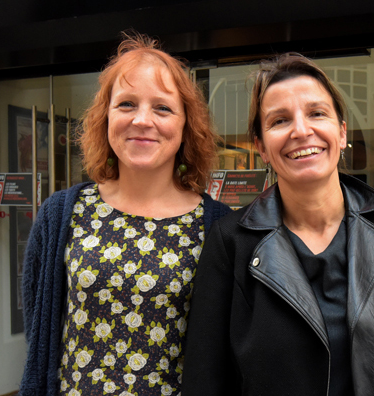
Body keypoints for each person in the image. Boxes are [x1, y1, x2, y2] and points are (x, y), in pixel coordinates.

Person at [182, 53, 374, 395]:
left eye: (316, 113)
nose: (301, 130)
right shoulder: (231, 242)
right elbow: (204, 378)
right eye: (280, 120)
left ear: (341, 133)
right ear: (261, 147)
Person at [19, 33, 231, 396]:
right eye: (127, 104)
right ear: (105, 118)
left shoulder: (219, 227)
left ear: (186, 126)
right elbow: (39, 325)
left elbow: (225, 350)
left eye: (162, 108)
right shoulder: (62, 214)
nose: (142, 120)